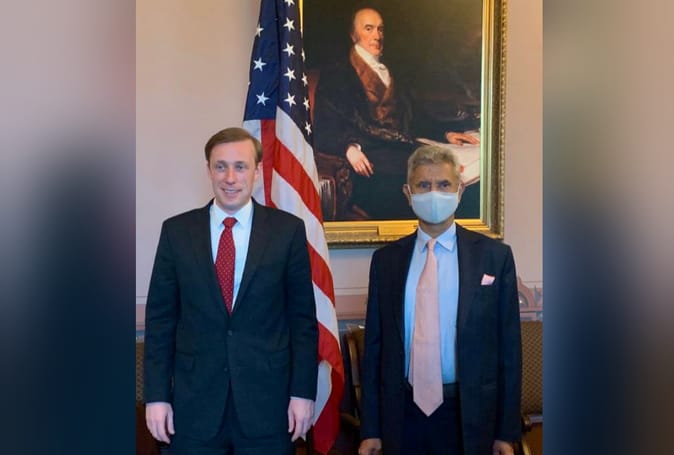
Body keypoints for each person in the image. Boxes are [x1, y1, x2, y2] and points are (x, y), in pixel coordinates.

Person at [143, 127, 318, 455]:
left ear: (257, 171)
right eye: (221, 166)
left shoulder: (287, 231)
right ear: (208, 170)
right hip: (194, 408)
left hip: (268, 406)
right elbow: (160, 322)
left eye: (240, 166)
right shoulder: (177, 232)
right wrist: (157, 396)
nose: (230, 177)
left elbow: (303, 323)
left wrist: (303, 393)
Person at [358, 145, 521, 454]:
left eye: (444, 184)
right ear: (408, 194)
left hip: (470, 413)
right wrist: (371, 429)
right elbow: (375, 351)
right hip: (402, 414)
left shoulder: (494, 257)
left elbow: (509, 350)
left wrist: (506, 432)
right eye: (423, 185)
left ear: (460, 191)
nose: (434, 193)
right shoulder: (386, 261)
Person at [313, 7, 479, 220]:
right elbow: (326, 124)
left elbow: (413, 116)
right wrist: (349, 148)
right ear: (353, 35)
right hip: (370, 154)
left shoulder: (390, 72)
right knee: (432, 172)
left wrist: (445, 134)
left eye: (380, 29)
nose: (377, 35)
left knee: (456, 164)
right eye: (369, 28)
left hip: (398, 146)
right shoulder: (338, 74)